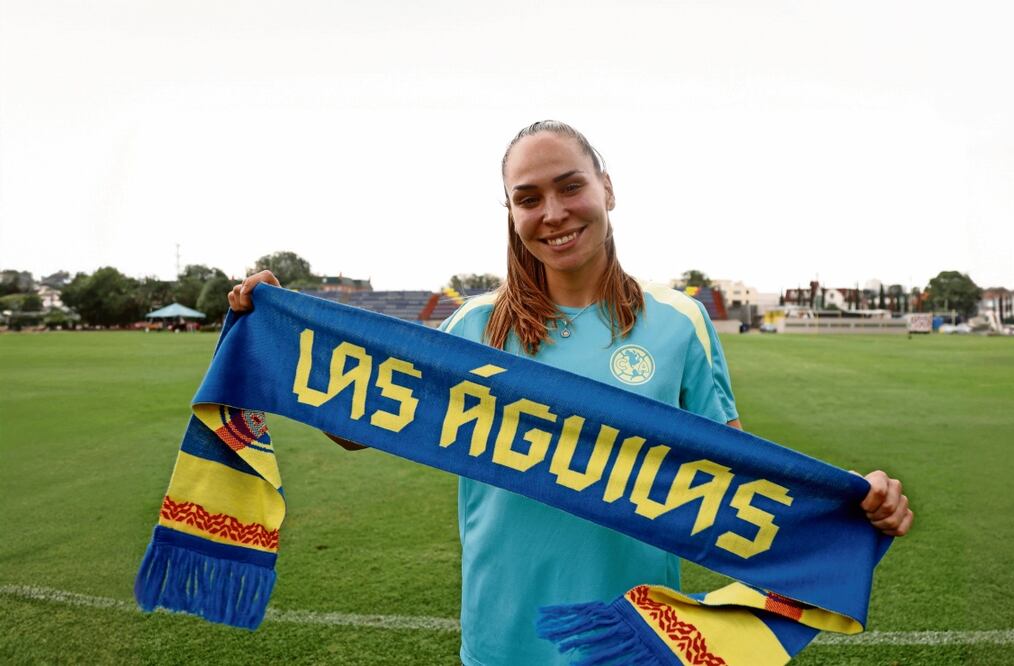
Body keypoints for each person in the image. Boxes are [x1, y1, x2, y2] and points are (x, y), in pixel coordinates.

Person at [228, 120, 913, 665]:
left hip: (635, 635)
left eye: (569, 187)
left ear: (606, 189)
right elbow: (357, 423)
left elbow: (735, 469)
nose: (552, 213)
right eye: (528, 198)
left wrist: (849, 499)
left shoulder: (679, 322)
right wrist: (283, 332)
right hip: (502, 637)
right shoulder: (473, 325)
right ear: (510, 212)